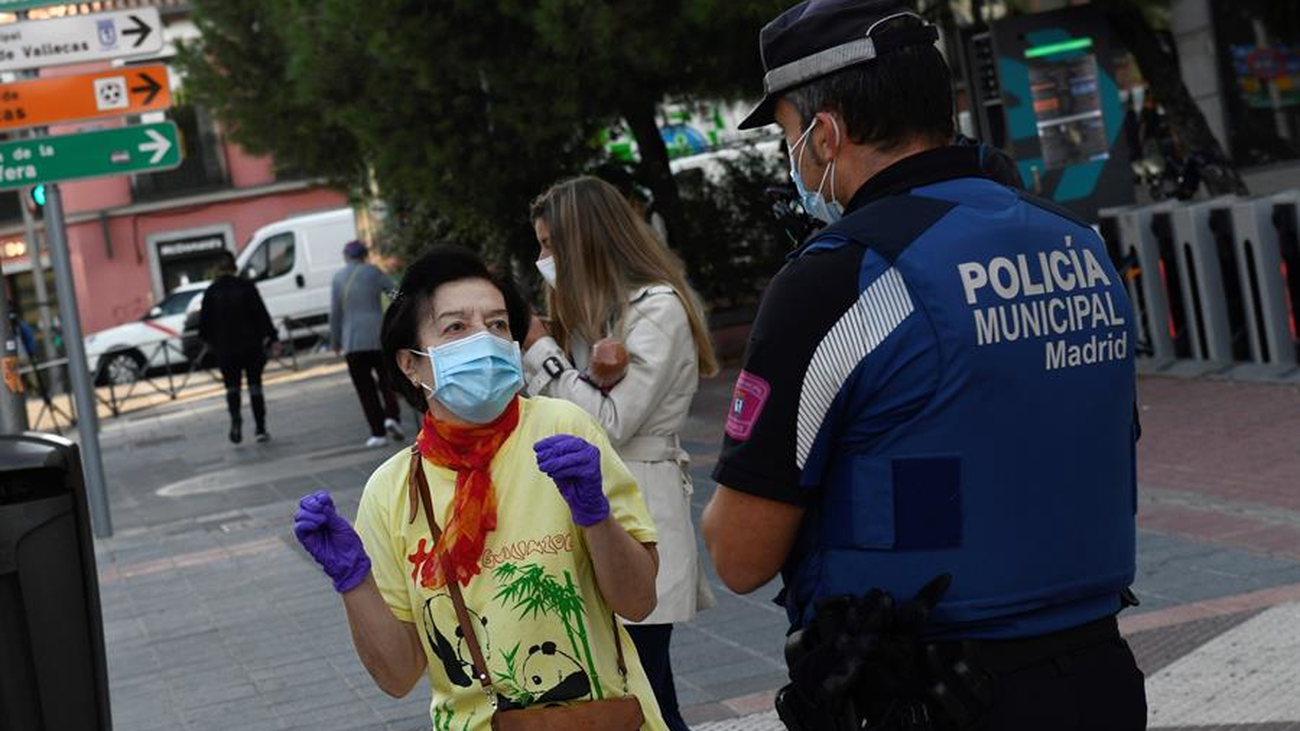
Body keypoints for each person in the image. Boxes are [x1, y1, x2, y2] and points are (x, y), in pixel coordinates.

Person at [700, 3, 1145, 730]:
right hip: (1101, 674)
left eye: (787, 135)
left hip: (935, 693)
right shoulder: (1078, 245)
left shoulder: (839, 277)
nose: (794, 158)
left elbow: (739, 552)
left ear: (828, 132)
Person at [292, 246, 669, 731]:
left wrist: (596, 516)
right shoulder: (391, 490)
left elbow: (639, 601)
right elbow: (397, 675)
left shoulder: (565, 430)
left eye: (497, 325)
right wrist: (352, 580)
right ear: (411, 364)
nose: (485, 341)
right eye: (456, 328)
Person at [525, 176, 719, 731]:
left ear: (584, 241)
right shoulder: (595, 314)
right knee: (637, 692)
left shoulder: (656, 309)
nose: (541, 259)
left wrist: (541, 352)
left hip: (641, 509)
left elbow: (606, 423)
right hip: (599, 513)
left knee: (646, 692)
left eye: (548, 244)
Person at [331, 240, 405, 448]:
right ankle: (392, 417)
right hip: (378, 337)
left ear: (346, 256)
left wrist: (335, 341)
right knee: (386, 380)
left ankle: (377, 433)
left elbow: (335, 313)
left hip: (352, 342)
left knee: (365, 389)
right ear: (364, 255)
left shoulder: (337, 278)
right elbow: (396, 295)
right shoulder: (373, 272)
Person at [198, 252, 277, 444]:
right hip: (251, 347)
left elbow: (203, 326)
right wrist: (273, 337)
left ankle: (235, 420)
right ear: (234, 267)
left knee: (232, 388)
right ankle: (260, 428)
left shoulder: (211, 292)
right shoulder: (247, 287)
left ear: (217, 269)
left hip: (226, 350)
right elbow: (262, 315)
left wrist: (211, 343)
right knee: (255, 387)